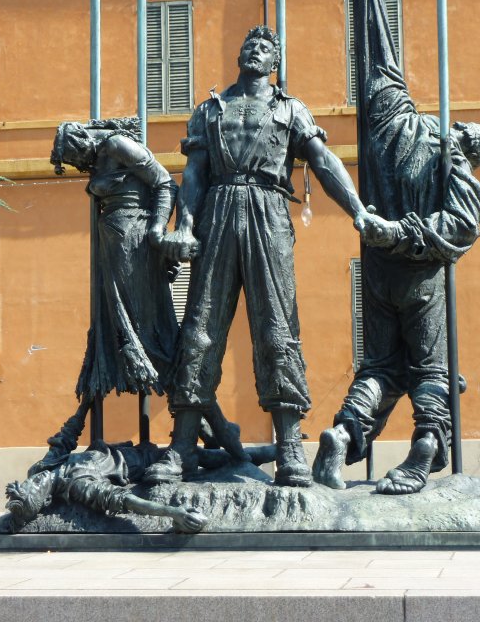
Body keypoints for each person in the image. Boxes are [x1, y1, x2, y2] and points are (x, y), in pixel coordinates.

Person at [312, 0, 480, 495]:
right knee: (431, 370)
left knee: (380, 368)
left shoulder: (388, 121)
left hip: (377, 269)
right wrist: (410, 233)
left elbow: (376, 56)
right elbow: (463, 224)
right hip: (417, 273)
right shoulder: (451, 157)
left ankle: (344, 432)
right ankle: (426, 448)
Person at [143, 25, 370, 489]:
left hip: (268, 211)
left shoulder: (291, 110)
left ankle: (290, 448)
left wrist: (359, 211)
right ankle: (183, 446)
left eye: (264, 47)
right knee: (201, 328)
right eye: (248, 44)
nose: (254, 50)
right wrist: (183, 224)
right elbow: (194, 174)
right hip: (219, 211)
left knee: (277, 328)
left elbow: (324, 163)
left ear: (275, 63)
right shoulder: (210, 110)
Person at [50, 119, 179, 400]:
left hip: (135, 242)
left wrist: (158, 230)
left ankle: (194, 407)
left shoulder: (117, 145)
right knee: (117, 326)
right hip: (113, 248)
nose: (79, 165)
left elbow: (166, 183)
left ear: (83, 141)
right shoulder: (99, 157)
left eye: (76, 158)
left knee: (146, 326)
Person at [0, 438, 277, 534]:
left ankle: (264, 452)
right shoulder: (77, 485)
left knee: (208, 455)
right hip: (143, 461)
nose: (31, 482)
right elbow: (124, 501)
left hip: (132, 450)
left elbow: (66, 436)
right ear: (43, 500)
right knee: (206, 458)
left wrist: (85, 401)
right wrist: (173, 513)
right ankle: (264, 454)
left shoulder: (43, 467)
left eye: (28, 483)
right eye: (32, 489)